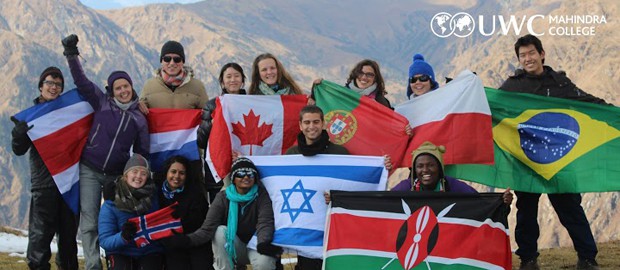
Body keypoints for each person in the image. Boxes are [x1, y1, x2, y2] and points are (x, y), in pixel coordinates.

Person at [499, 34, 607, 270]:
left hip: (559, 160)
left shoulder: (560, 84)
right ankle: (528, 260)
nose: (528, 59)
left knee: (570, 208)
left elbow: (587, 102)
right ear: (519, 59)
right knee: (526, 211)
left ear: (542, 54)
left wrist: (612, 113)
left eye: (531, 53)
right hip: (526, 160)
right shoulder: (513, 86)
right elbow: (494, 107)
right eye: (522, 55)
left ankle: (587, 258)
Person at [62, 34, 150, 270]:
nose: (123, 91)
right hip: (90, 169)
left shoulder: (140, 118)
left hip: (116, 175)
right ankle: (93, 265)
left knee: (117, 219)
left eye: (126, 86)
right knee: (89, 219)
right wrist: (71, 53)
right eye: (118, 87)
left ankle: (115, 259)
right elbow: (81, 81)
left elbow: (141, 154)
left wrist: (140, 178)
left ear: (132, 88)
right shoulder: (101, 101)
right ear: (111, 90)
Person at [10, 67, 79, 270]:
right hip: (44, 185)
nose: (54, 87)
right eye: (49, 83)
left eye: (58, 84)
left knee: (68, 241)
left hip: (69, 184)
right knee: (40, 239)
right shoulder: (32, 117)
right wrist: (19, 135)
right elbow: (18, 150)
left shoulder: (68, 114)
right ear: (41, 86)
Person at [161, 157, 280, 270]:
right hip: (235, 247)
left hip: (257, 245)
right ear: (233, 178)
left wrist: (263, 243)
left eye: (250, 174)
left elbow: (265, 223)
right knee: (219, 231)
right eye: (240, 174)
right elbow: (207, 229)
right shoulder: (223, 197)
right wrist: (186, 240)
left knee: (264, 262)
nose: (246, 177)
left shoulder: (262, 195)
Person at [98, 154, 163, 270]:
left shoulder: (154, 197)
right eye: (134, 171)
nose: (138, 176)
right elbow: (104, 240)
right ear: (126, 174)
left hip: (149, 250)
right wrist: (123, 237)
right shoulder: (112, 202)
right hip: (120, 251)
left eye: (143, 173)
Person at [197, 63, 248, 199]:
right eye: (229, 77)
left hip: (245, 166)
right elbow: (201, 141)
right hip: (218, 171)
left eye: (237, 76)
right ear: (222, 82)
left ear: (242, 80)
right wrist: (211, 124)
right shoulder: (212, 105)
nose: (233, 80)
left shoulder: (251, 104)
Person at [156, 155, 210, 270]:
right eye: (173, 172)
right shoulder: (156, 193)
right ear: (166, 172)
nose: (176, 176)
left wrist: (180, 221)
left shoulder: (196, 193)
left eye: (182, 173)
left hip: (194, 241)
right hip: (169, 243)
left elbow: (200, 221)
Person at [139, 40, 209, 112]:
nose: (172, 63)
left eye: (177, 59)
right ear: (161, 61)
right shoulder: (149, 86)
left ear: (183, 62)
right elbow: (139, 112)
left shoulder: (197, 87)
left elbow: (207, 113)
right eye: (167, 59)